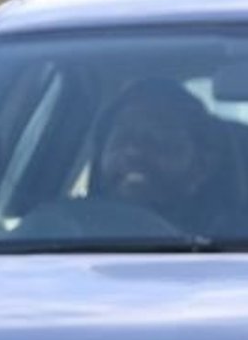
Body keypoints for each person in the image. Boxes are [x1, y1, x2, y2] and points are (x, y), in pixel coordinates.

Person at [91, 78, 231, 232]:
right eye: (123, 137)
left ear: (202, 166)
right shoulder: (68, 226)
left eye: (158, 138)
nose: (133, 151)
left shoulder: (240, 246)